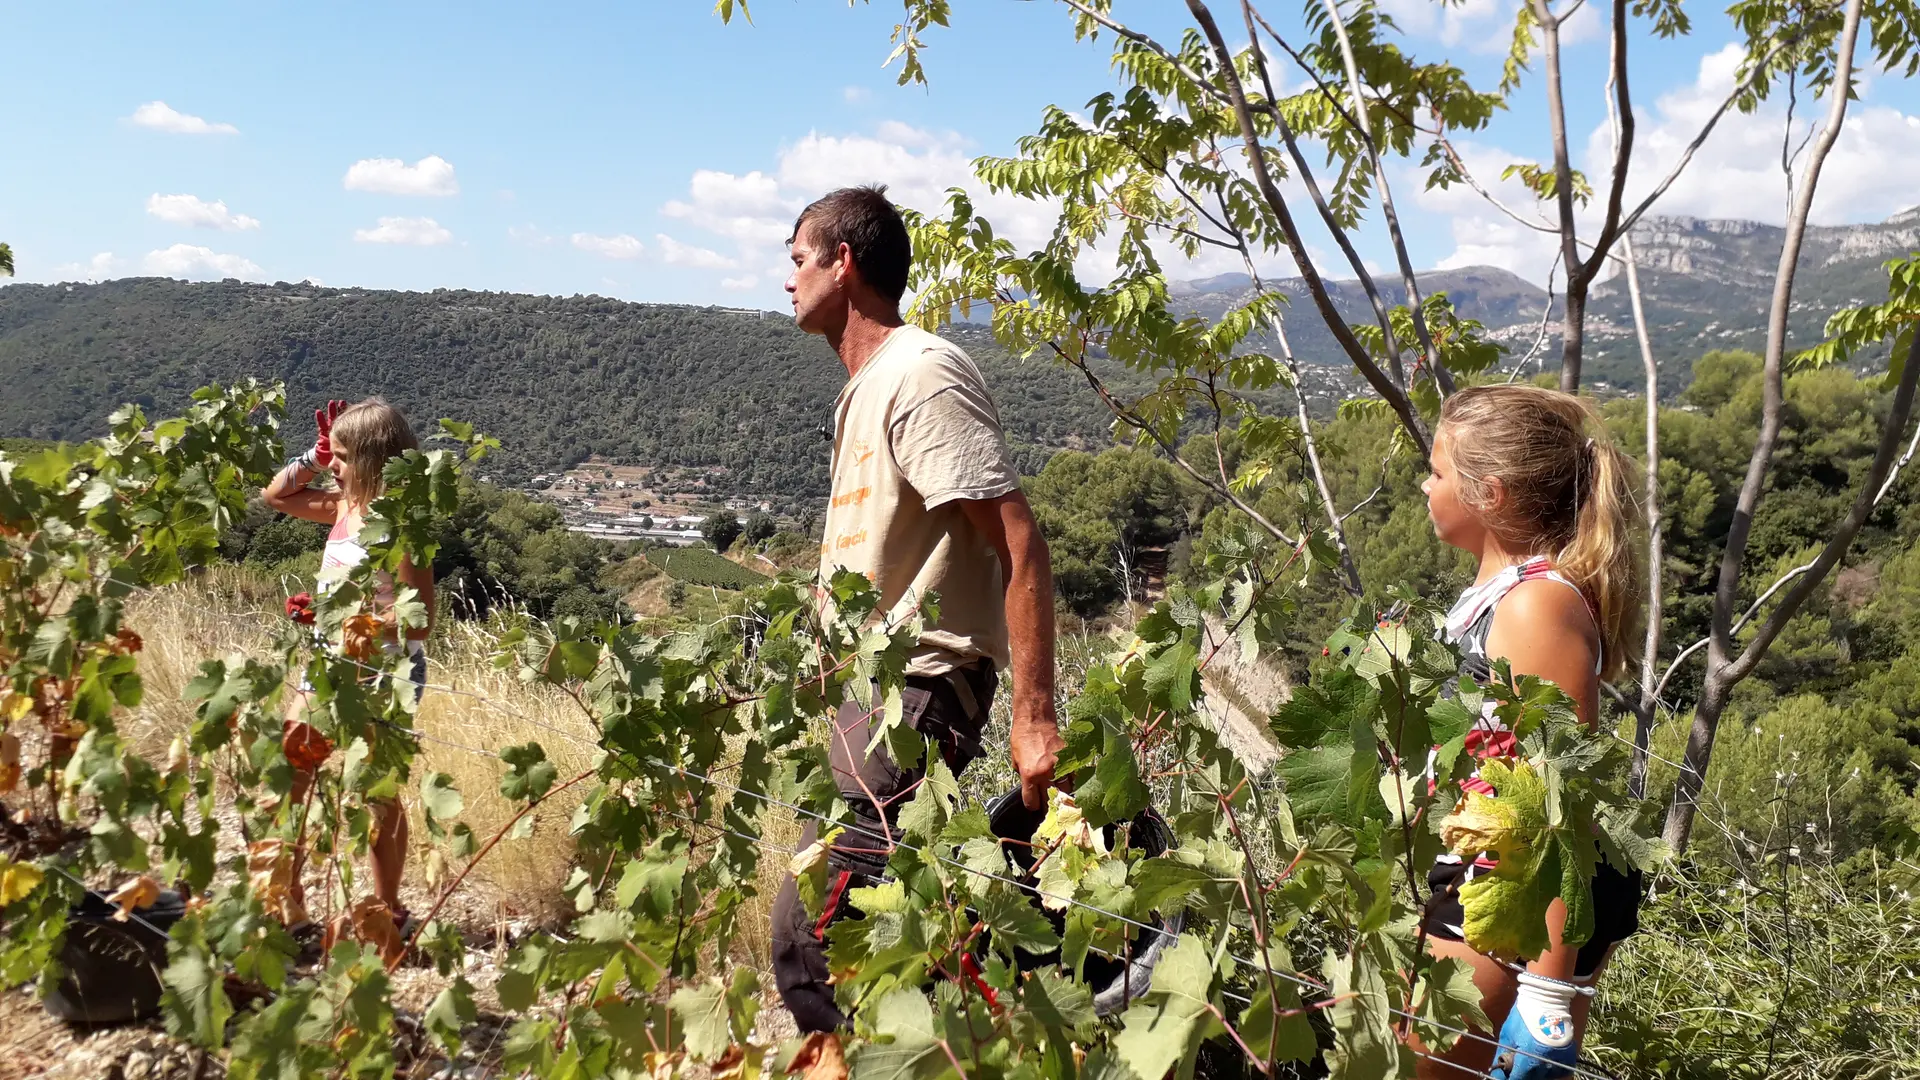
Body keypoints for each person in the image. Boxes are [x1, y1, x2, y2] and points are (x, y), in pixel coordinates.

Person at [767, 185, 1064, 1032]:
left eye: (798, 260)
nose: (788, 282)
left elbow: (1020, 545)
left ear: (842, 261)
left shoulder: (920, 373)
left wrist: (1034, 715)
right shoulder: (865, 386)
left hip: (923, 689)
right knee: (883, 934)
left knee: (810, 930)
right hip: (875, 699)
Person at [1412, 384, 1644, 1079]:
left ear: (1493, 495)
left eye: (1438, 471)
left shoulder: (1534, 607)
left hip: (1511, 894)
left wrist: (1548, 991)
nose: (1425, 486)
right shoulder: (1501, 596)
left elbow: (1558, 804)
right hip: (1491, 875)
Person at [262, 397, 434, 925]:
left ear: (370, 458)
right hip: (329, 663)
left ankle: (388, 913)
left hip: (385, 673)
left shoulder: (403, 527)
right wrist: (311, 457)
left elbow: (419, 621)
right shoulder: (342, 505)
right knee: (293, 769)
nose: (331, 465)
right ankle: (284, 903)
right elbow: (275, 495)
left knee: (376, 793)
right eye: (329, 455)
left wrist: (340, 617)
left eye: (339, 455)